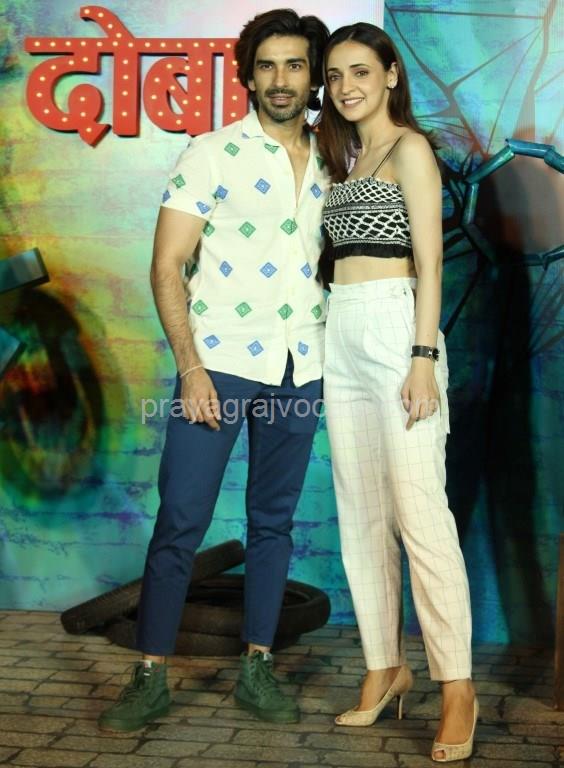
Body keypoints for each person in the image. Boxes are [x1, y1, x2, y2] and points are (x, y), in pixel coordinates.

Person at [98, 8, 330, 732]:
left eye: (295, 65)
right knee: (181, 519)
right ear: (248, 76)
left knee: (273, 522)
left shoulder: (338, 159)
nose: (281, 79)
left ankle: (258, 667)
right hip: (219, 363)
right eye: (267, 65)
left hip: (302, 364)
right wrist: (191, 367)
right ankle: (149, 676)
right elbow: (167, 265)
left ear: (313, 76)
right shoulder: (210, 153)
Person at [316, 22, 477, 763]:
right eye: (335, 75)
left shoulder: (410, 148)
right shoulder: (347, 161)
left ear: (389, 74)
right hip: (342, 332)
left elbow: (431, 261)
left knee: (421, 516)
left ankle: (456, 686)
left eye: (359, 71)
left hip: (395, 330)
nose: (345, 86)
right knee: (361, 515)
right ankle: (385, 666)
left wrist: (421, 357)